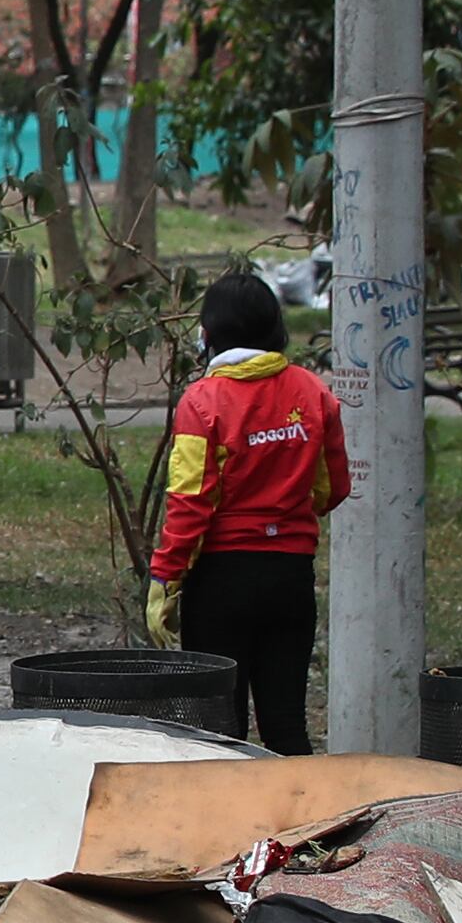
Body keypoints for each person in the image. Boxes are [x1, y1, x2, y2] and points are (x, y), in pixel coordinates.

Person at [147, 270, 348, 755]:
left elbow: (190, 502)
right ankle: (305, 808)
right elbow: (332, 489)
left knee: (221, 732)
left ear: (210, 333)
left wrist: (165, 580)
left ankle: (229, 808)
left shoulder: (201, 402)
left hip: (220, 583)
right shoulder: (313, 392)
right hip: (291, 578)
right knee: (287, 726)